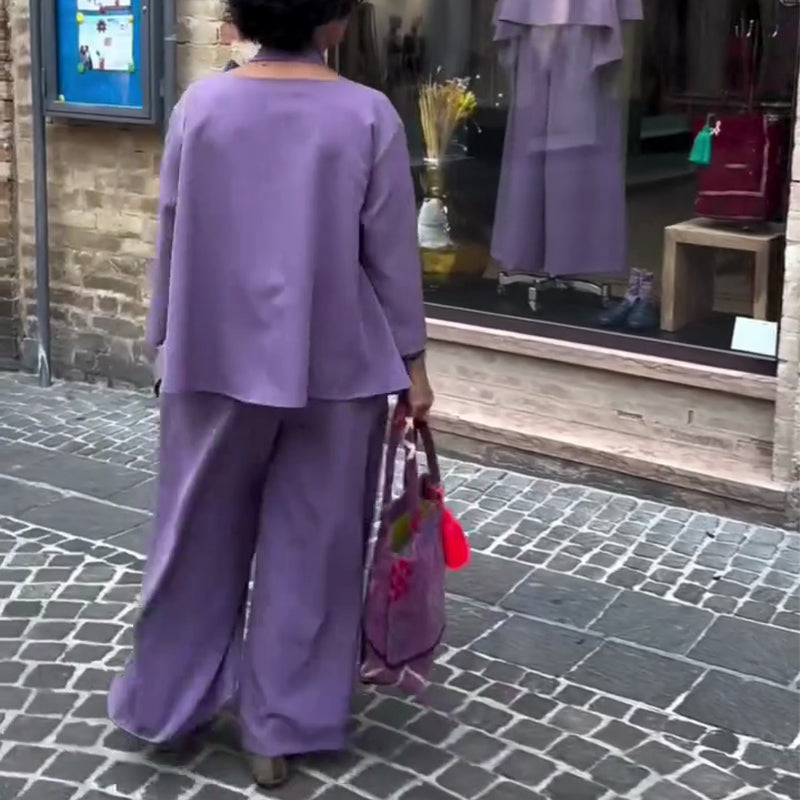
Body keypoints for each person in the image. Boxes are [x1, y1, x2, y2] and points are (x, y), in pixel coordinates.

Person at [107, 0, 433, 788]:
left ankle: (170, 706)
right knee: (315, 547)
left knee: (193, 536)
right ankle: (279, 727)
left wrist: (163, 338)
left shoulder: (200, 107)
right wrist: (413, 364)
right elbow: (392, 255)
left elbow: (172, 231)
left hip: (212, 355)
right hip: (337, 364)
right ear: (335, 21)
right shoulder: (369, 115)